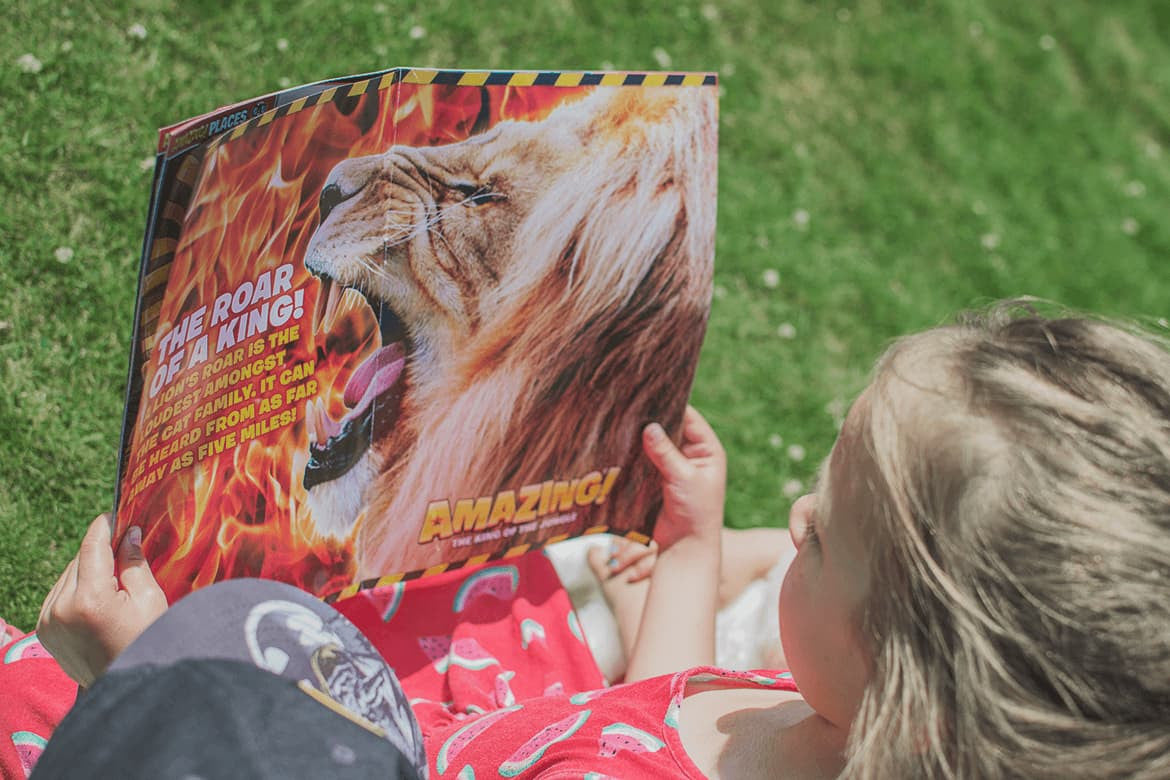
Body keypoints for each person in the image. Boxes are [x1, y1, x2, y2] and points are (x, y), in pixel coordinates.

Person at [13, 302, 1170, 777]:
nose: (798, 518)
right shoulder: (829, 719)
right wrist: (689, 555)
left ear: (918, 695)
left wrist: (161, 684)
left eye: (825, 537)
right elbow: (675, 702)